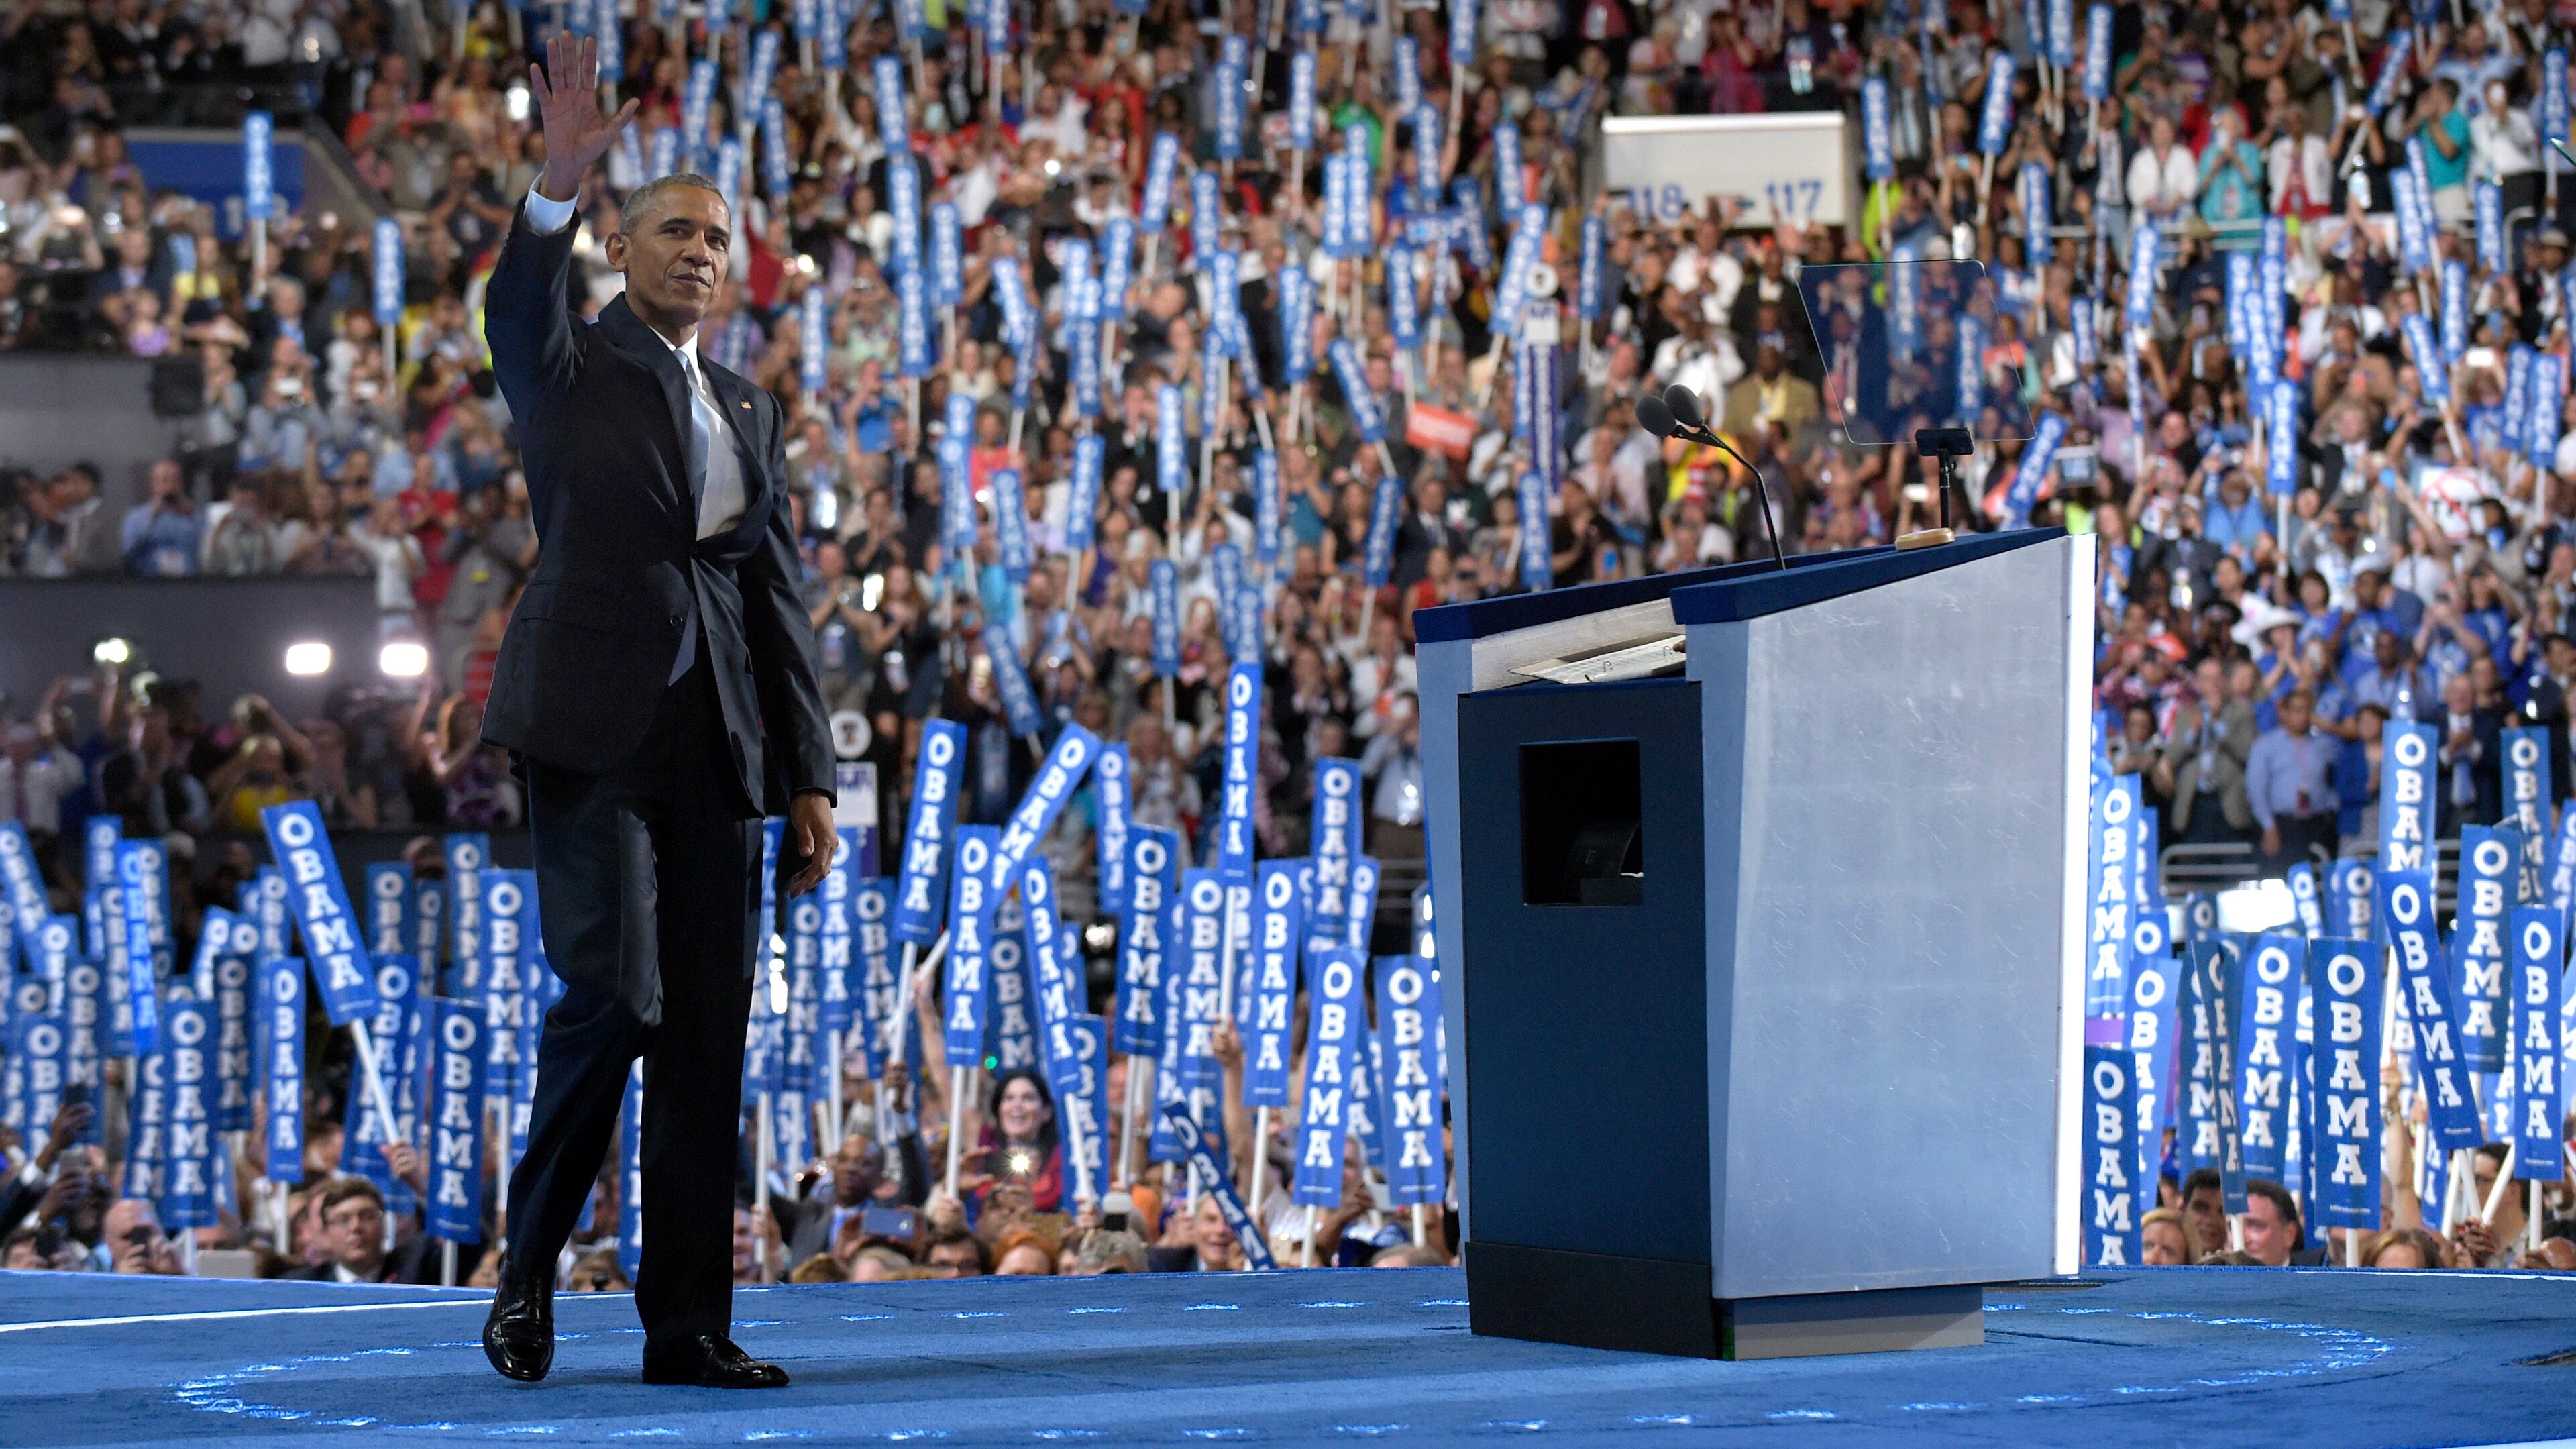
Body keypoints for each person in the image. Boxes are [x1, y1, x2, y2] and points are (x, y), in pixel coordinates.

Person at [476, 35, 835, 1392]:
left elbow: (776, 600)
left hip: (722, 754)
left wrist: (806, 777)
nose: (698, 250)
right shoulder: (570, 365)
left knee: (703, 1041)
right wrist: (553, 195)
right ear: (624, 249)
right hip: (591, 732)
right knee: (617, 997)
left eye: (716, 237)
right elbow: (517, 314)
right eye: (673, 229)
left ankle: (684, 1326)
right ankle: (526, 1276)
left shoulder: (751, 404)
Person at [2245, 686, 2339, 875]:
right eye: (2296, 710)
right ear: (2284, 713)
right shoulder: (2267, 745)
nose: (2302, 716)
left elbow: (2334, 779)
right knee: (2281, 885)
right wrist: (2269, 827)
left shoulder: (2324, 744)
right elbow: (2256, 789)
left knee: (2319, 883)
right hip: (2283, 825)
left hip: (2316, 824)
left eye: (2307, 710)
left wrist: (2332, 809)